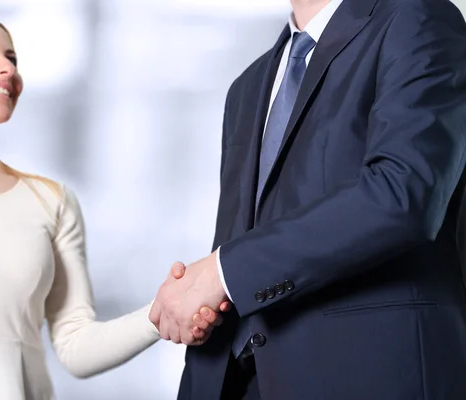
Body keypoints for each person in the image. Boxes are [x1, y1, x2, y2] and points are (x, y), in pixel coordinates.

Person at [0, 8, 226, 400]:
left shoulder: (49, 202)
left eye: (12, 58)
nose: (7, 68)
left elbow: (75, 346)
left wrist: (159, 316)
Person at [150, 0, 466, 398]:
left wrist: (221, 273)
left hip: (366, 376)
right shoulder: (247, 87)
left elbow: (402, 194)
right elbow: (242, 245)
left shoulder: (417, 18)